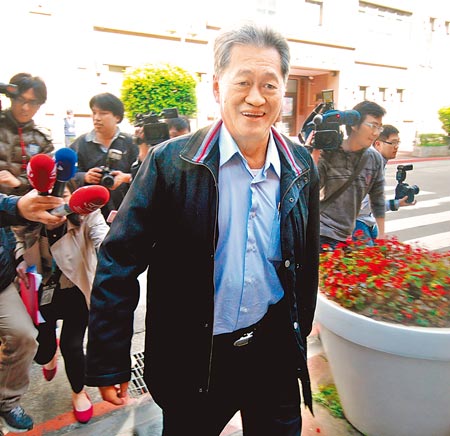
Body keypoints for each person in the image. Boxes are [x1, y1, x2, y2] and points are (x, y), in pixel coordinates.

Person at [85, 23, 320, 436]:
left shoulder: (301, 166)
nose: (256, 97)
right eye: (242, 82)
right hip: (196, 357)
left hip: (274, 349)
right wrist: (109, 359)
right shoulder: (171, 163)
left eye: (269, 85)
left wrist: (298, 334)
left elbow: (306, 262)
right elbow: (119, 259)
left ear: (282, 90)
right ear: (216, 87)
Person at [14, 181, 109, 424]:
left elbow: (104, 239)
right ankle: (49, 351)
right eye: (48, 197)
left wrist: (114, 248)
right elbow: (15, 239)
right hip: (42, 294)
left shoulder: (87, 215)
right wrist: (19, 258)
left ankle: (78, 391)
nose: (56, 204)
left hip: (77, 291)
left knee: (72, 347)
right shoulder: (25, 219)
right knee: (42, 352)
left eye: (63, 196)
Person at [0, 190, 64, 433]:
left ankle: (7, 401)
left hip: (2, 282)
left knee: (25, 336)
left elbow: (6, 220)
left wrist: (16, 258)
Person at [312, 100, 387, 251]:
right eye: (372, 126)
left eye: (379, 127)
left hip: (347, 234)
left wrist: (381, 235)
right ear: (354, 124)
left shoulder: (374, 159)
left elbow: (377, 198)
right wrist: (316, 151)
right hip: (322, 232)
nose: (376, 133)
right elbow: (311, 187)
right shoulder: (330, 152)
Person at [70, 93, 138, 222]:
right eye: (94, 113)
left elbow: (145, 175)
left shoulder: (131, 143)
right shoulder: (81, 143)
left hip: (126, 212)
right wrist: (85, 177)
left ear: (117, 117)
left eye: (103, 113)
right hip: (90, 214)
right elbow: (67, 175)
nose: (96, 118)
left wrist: (125, 178)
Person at [352, 124, 416, 245]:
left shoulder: (378, 163)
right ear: (378, 144)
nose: (396, 147)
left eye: (398, 142)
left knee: (380, 252)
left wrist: (398, 203)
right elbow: (363, 205)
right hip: (356, 222)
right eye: (393, 142)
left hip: (366, 220)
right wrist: (393, 204)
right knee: (370, 255)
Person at [0, 73, 54, 196]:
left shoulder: (42, 140)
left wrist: (20, 182)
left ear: (39, 105)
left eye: (32, 102)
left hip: (23, 203)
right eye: (20, 100)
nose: (25, 107)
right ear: (11, 98)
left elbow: (44, 179)